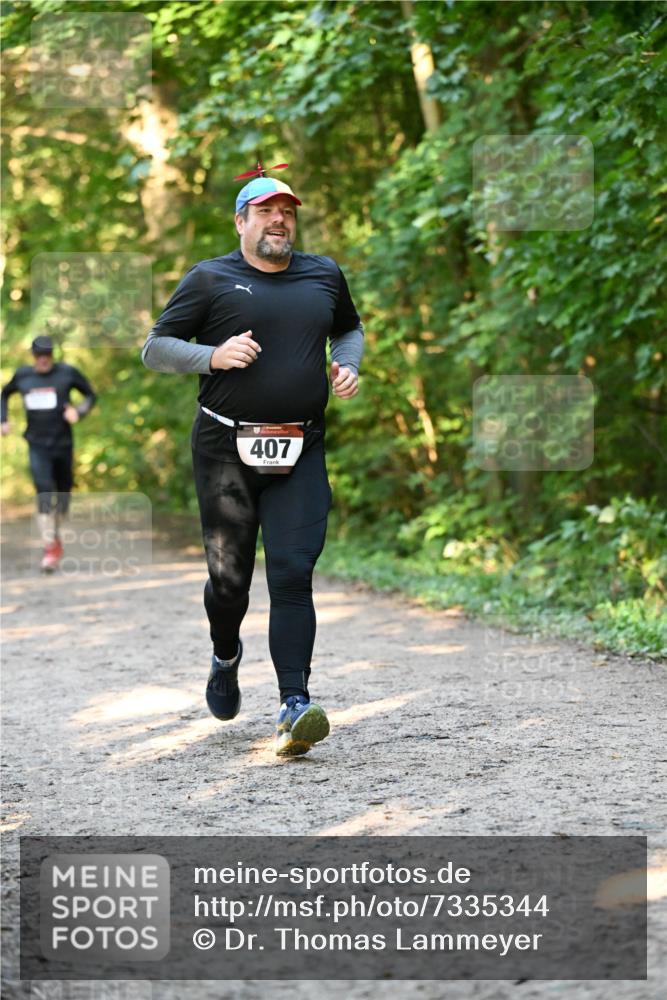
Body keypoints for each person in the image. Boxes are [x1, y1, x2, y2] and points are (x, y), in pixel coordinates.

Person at [142, 166, 363, 756]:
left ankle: (295, 703)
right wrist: (213, 355)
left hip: (301, 445)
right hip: (224, 450)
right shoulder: (210, 278)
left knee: (292, 570)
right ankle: (225, 653)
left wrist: (347, 365)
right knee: (230, 581)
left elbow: (349, 329)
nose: (279, 220)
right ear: (241, 221)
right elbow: (156, 348)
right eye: (265, 211)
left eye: (287, 211)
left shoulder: (323, 273)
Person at [1, 336, 97, 571]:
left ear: (52, 355)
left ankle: (55, 537)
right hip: (37, 444)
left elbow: (90, 395)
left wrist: (79, 411)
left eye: (47, 355)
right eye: (38, 355)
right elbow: (4, 394)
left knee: (63, 496)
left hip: (63, 444)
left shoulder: (67, 373)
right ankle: (50, 546)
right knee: (43, 489)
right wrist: (3, 419)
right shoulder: (23, 376)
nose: (43, 359)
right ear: (33, 356)